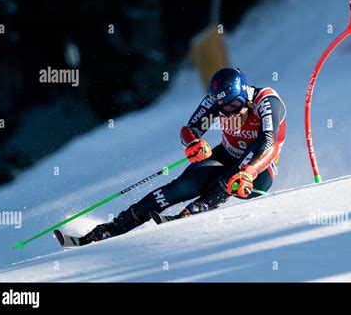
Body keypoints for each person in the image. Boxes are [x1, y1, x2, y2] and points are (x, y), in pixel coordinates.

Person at [81, 67, 286, 244]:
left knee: (232, 177)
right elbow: (190, 130)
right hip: (228, 154)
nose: (229, 113)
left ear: (245, 95)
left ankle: (201, 206)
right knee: (182, 186)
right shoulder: (218, 102)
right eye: (222, 110)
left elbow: (268, 143)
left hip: (260, 169)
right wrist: (193, 144)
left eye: (234, 106)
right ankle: (116, 226)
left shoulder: (266, 101)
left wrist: (249, 171)